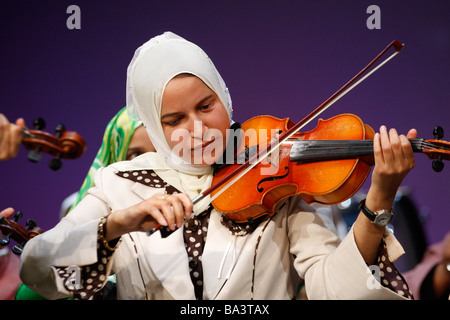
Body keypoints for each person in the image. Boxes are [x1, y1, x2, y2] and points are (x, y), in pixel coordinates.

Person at [20, 31, 417, 300]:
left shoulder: (272, 182)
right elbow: (37, 266)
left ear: (224, 96)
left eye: (206, 106)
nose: (197, 129)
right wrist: (117, 225)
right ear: (154, 129)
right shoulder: (118, 184)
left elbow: (338, 290)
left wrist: (381, 194)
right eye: (174, 121)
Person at [14, 106, 155, 300]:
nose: (151, 165)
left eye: (161, 152)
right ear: (115, 154)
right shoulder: (94, 211)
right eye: (135, 156)